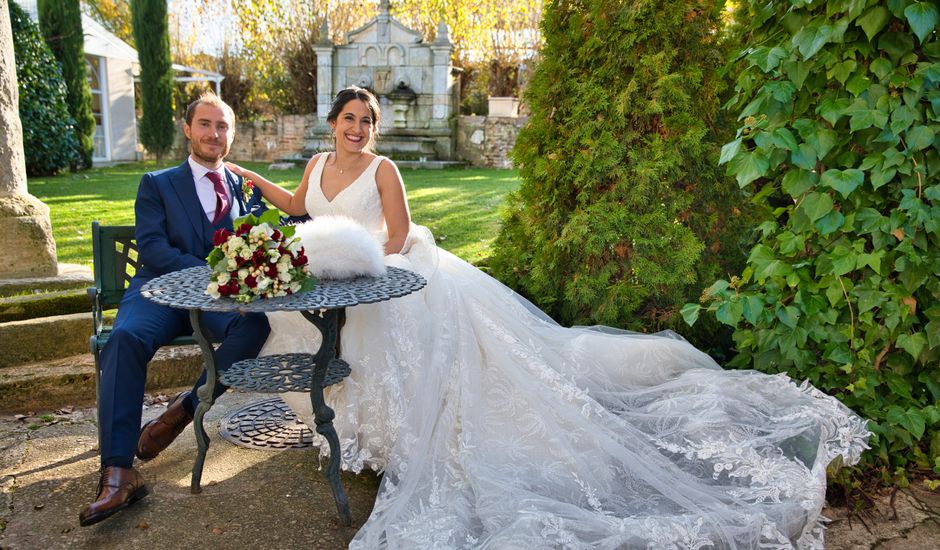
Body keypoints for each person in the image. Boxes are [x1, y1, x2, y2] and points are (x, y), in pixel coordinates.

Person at [226, 87, 870, 548]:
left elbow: (393, 238)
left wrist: (355, 267)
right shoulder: (316, 164)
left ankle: (402, 438)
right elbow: (303, 204)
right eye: (349, 119)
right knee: (332, 350)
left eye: (368, 120)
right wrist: (260, 185)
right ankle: (358, 435)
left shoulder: (384, 169)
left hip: (388, 277)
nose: (358, 129)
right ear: (331, 122)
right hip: (340, 276)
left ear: (375, 128)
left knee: (435, 370)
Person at [79, 93, 271, 527]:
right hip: (160, 292)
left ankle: (184, 410)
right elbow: (153, 248)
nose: (213, 134)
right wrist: (213, 272)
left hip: (218, 303)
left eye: (222, 126)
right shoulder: (157, 183)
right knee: (123, 339)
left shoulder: (244, 188)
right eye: (205, 124)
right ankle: (118, 471)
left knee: (254, 327)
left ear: (232, 134)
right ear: (187, 129)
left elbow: (263, 238)